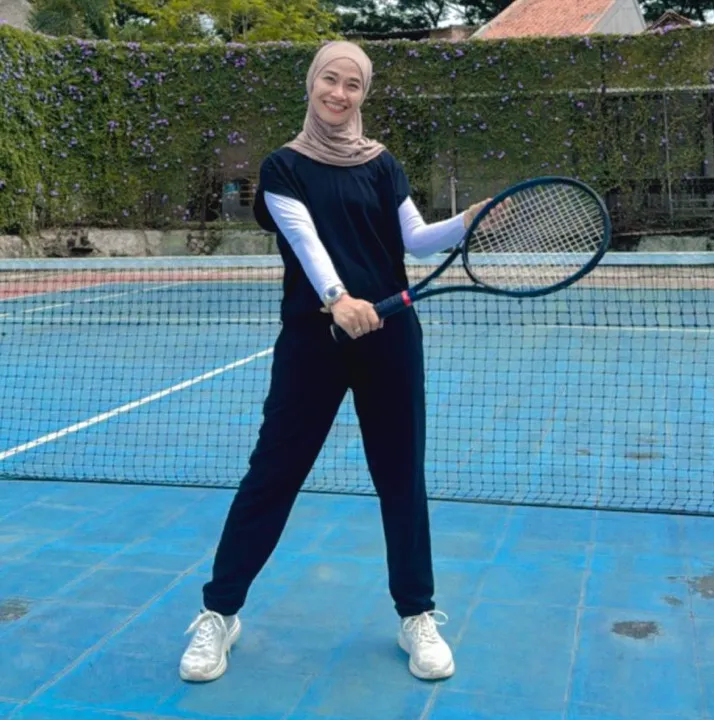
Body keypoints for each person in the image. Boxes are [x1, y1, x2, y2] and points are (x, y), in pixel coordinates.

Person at [179, 40, 489, 684]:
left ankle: (417, 613)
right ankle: (219, 612)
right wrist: (337, 298)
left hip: (389, 339)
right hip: (312, 342)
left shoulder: (382, 164)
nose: (339, 93)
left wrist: (466, 219)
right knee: (272, 475)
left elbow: (415, 240)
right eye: (330, 79)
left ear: (363, 94)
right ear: (311, 83)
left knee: (401, 477)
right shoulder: (283, 167)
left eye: (353, 84)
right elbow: (305, 239)